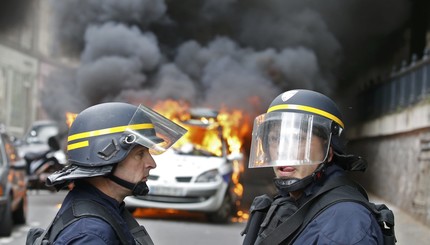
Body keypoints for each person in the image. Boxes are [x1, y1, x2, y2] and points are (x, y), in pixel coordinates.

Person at [29, 102, 187, 244]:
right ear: (105, 156)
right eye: (140, 154)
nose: (152, 164)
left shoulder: (102, 207)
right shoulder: (91, 235)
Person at [241, 89, 384, 244]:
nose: (283, 151)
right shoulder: (289, 202)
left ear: (328, 152)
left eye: (298, 138)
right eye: (275, 138)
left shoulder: (346, 223)